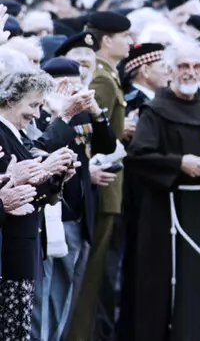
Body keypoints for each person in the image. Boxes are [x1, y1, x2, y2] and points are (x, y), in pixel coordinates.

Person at [119, 38, 200, 341]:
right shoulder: (154, 112)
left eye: (196, 66)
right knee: (164, 284)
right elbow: (138, 157)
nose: (190, 72)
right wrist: (178, 163)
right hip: (163, 211)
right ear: (170, 70)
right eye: (183, 66)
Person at [32, 57, 117, 341]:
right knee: (44, 296)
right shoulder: (40, 113)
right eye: (62, 82)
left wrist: (96, 112)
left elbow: (107, 145)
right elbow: (39, 149)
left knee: (67, 292)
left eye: (76, 82)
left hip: (79, 213)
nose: (70, 88)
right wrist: (61, 115)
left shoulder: (81, 113)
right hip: (53, 213)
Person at [68, 11, 132, 341]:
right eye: (125, 36)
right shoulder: (103, 79)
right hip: (103, 183)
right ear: (107, 41)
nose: (130, 42)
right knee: (90, 277)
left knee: (95, 277)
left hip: (109, 184)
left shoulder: (109, 75)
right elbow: (92, 136)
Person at [0, 70, 76, 339]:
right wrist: (43, 170)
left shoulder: (16, 135)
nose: (36, 113)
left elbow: (31, 190)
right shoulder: (2, 135)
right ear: (10, 100)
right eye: (32, 104)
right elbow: (11, 190)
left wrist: (54, 177)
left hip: (23, 247)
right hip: (9, 253)